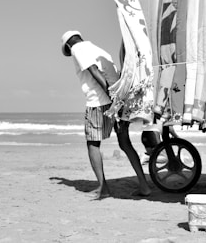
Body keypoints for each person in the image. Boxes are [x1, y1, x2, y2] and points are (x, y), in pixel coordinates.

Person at [62, 30, 151, 198]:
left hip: (100, 101)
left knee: (92, 144)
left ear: (68, 45)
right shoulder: (98, 49)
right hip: (120, 99)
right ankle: (144, 186)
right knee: (125, 144)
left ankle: (103, 188)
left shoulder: (77, 49)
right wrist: (119, 101)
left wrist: (112, 99)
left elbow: (95, 72)